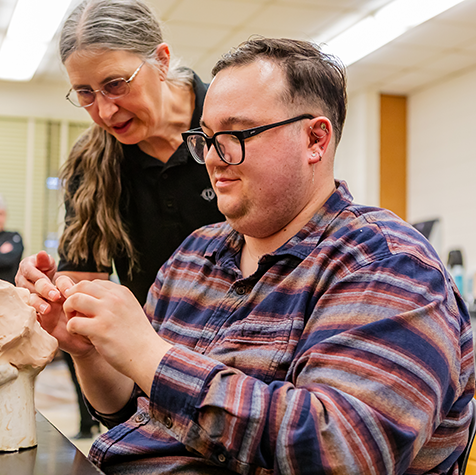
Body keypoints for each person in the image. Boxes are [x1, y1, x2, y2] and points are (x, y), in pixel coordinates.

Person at [41, 37, 475, 474]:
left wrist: (150, 353)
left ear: (315, 139)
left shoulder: (386, 265)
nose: (212, 157)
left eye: (234, 135)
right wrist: (89, 351)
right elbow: (133, 414)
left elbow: (340, 452)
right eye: (206, 138)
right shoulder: (192, 256)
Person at [16, 0, 224, 439]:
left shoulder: (228, 128)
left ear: (161, 61)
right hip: (143, 377)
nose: (105, 111)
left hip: (244, 360)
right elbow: (81, 300)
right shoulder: (91, 166)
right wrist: (54, 293)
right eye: (86, 94)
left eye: (115, 84)